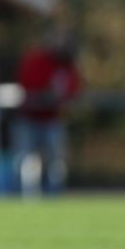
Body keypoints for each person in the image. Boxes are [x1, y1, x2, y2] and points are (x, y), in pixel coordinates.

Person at [12, 27, 81, 196]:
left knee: (56, 160)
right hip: (29, 118)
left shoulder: (67, 64)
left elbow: (73, 89)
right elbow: (27, 84)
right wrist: (45, 94)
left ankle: (55, 194)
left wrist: (60, 97)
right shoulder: (36, 59)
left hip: (52, 119)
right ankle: (29, 195)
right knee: (28, 159)